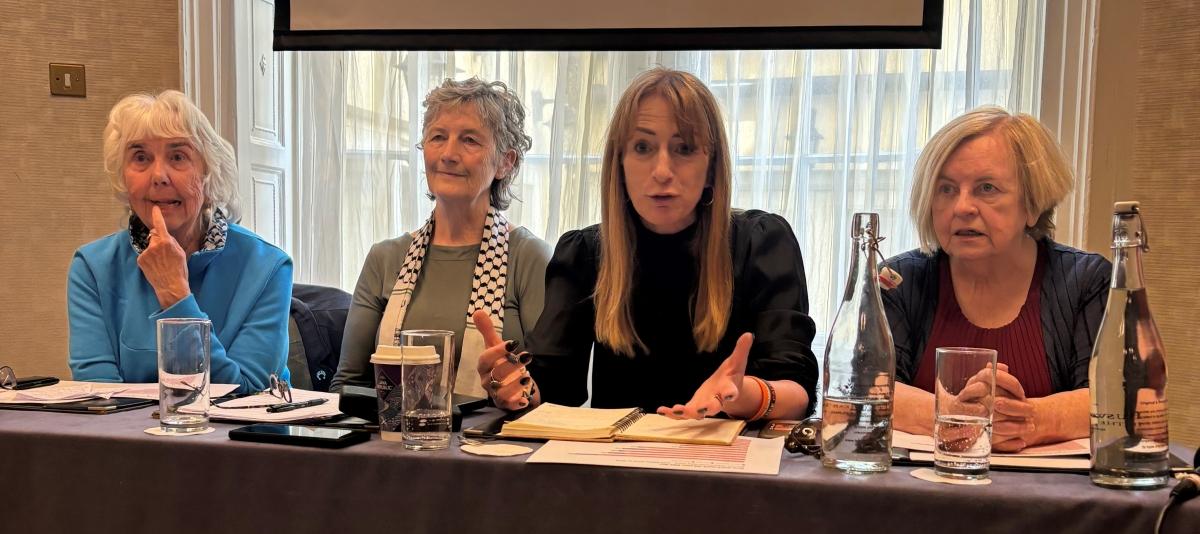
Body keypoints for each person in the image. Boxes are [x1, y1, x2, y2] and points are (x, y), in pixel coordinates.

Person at [473, 68, 818, 421]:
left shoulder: (762, 242)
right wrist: (513, 385)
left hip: (725, 453)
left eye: (684, 148)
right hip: (618, 456)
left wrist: (744, 394)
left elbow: (797, 391)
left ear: (711, 166)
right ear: (620, 164)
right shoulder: (584, 253)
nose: (662, 170)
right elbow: (553, 387)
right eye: (643, 147)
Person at [882, 106, 1111, 451]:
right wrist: (955, 414)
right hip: (922, 481)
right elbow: (868, 387)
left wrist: (1028, 420)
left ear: (1032, 203)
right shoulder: (898, 281)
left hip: (1052, 484)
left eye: (986, 188)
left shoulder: (1086, 281)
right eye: (946, 189)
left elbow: (1114, 399)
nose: (962, 207)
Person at [331, 78, 550, 397]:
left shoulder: (529, 258)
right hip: (391, 430)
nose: (448, 153)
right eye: (438, 137)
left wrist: (515, 390)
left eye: (469, 140)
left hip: (498, 431)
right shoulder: (385, 258)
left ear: (506, 162)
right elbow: (347, 386)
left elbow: (548, 394)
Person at [68, 90, 292, 391]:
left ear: (209, 175)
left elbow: (247, 395)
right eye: (140, 158)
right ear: (124, 178)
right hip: (130, 425)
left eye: (177, 157)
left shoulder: (268, 267)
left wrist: (175, 294)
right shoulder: (92, 268)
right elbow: (99, 396)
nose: (159, 175)